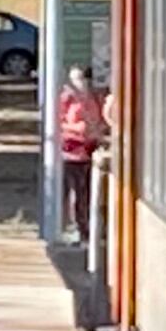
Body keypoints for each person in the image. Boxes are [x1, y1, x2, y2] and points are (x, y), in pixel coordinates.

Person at [52, 65, 108, 239]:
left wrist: (97, 130)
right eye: (74, 80)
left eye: (81, 79)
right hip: (72, 150)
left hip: (91, 148)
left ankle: (91, 227)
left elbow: (102, 121)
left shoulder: (95, 99)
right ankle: (76, 226)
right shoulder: (66, 99)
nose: (78, 84)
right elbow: (57, 122)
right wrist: (77, 128)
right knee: (75, 191)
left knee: (90, 191)